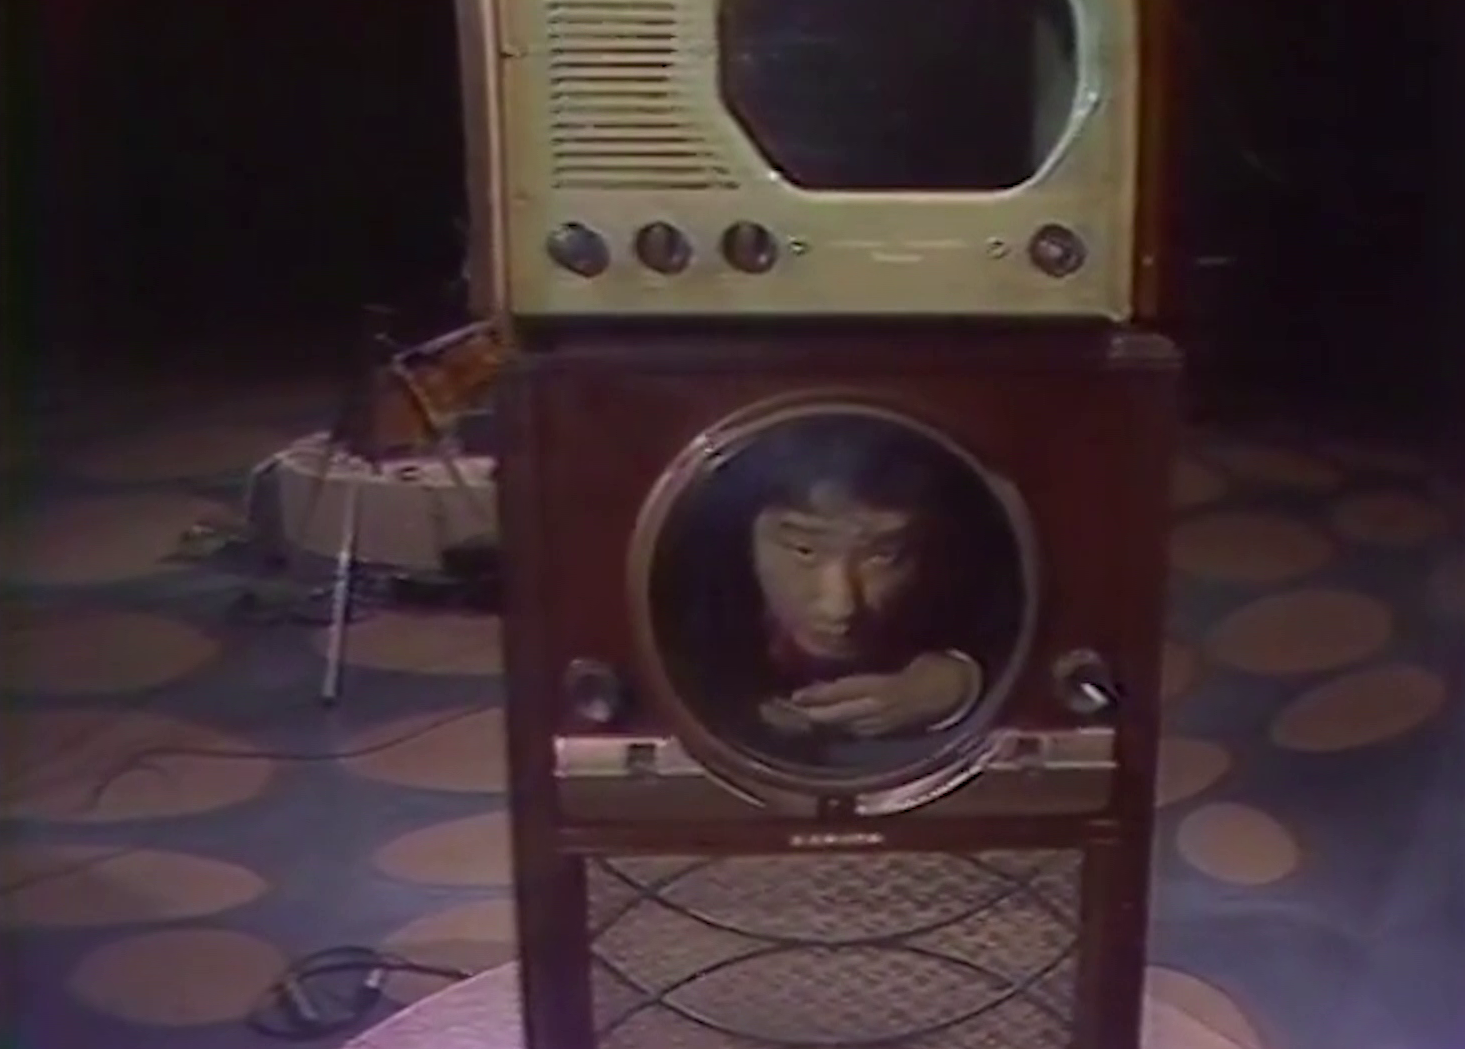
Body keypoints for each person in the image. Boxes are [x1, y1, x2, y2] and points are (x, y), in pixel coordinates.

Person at [649, 411, 1025, 770]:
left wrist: (962, 684)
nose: (841, 605)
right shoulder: (683, 595)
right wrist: (738, 715)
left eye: (883, 555)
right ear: (740, 532)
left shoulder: (976, 572)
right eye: (804, 550)